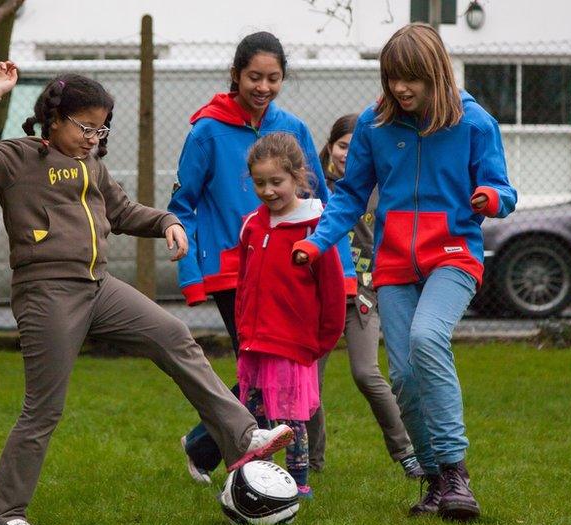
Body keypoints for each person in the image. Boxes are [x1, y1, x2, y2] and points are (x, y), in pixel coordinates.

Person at [0, 62, 295, 525]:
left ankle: (243, 436)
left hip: (100, 287)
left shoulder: (92, 164)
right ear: (55, 119)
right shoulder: (21, 158)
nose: (94, 137)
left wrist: (168, 223)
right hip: (47, 292)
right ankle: (4, 514)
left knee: (174, 334)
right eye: (85, 126)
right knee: (44, 408)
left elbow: (122, 211)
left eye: (101, 128)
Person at [293, 23, 517, 521]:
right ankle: (435, 482)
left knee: (427, 340)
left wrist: (491, 197)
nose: (400, 88)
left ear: (435, 72)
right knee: (403, 378)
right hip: (394, 264)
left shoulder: (475, 123)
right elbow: (351, 194)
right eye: (392, 77)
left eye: (411, 78)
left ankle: (457, 473)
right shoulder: (376, 124)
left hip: (453, 256)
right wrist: (315, 242)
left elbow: (505, 190)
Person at [168, 31, 355, 484]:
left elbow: (323, 203)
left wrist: (343, 271)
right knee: (260, 367)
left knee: (270, 368)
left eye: (273, 78)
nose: (263, 87)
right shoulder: (207, 130)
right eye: (254, 77)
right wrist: (191, 274)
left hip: (290, 268)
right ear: (235, 75)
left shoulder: (292, 128)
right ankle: (255, 465)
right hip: (234, 270)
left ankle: (207, 443)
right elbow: (183, 204)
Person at [236, 132, 346, 498]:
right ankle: (255, 480)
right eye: (259, 183)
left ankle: (298, 483)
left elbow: (331, 291)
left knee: (290, 420)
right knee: (254, 418)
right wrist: (242, 328)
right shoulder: (252, 224)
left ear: (299, 177)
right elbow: (244, 281)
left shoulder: (316, 227)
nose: (268, 191)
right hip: (255, 342)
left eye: (276, 182)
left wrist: (322, 340)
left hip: (293, 344)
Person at [318, 114, 424, 479]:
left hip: (364, 293)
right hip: (319, 296)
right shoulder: (314, 188)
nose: (347, 154)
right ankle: (312, 465)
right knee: (309, 384)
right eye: (341, 146)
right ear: (330, 146)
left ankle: (408, 452)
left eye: (353, 146)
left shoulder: (378, 186)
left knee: (366, 373)